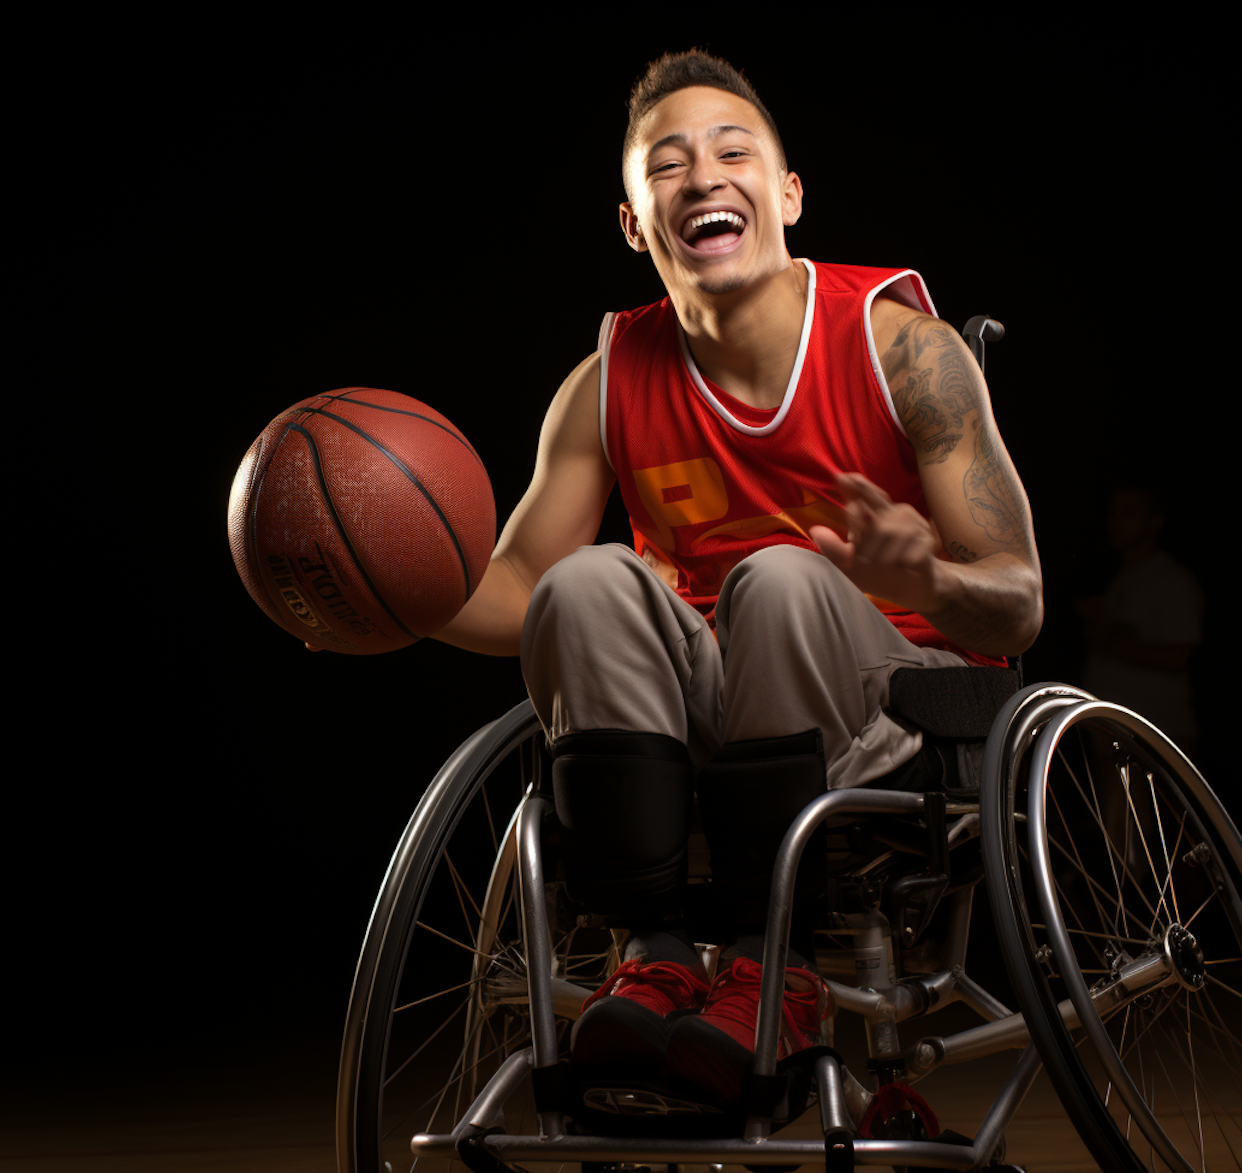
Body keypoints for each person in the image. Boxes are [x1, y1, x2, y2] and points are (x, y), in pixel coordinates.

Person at [430, 50, 1043, 1106]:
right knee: (585, 582)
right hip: (711, 721)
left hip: (895, 709)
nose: (703, 176)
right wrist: (391, 599)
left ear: (787, 193)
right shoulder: (608, 381)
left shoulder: (905, 350)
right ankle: (657, 951)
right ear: (633, 223)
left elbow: (1021, 595)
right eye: (666, 166)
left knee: (783, 578)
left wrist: (929, 577)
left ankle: (778, 965)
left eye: (732, 151)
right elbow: (516, 585)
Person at [1078, 484, 1203, 758]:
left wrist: (1108, 637)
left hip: (1156, 737)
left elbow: (1178, 657)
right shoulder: (1123, 576)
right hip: (1114, 736)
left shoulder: (1171, 580)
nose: (1115, 523)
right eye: (1112, 513)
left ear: (1155, 521)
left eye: (1129, 513)